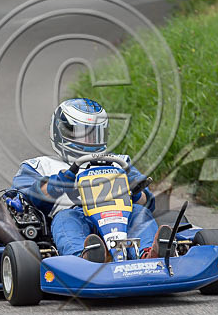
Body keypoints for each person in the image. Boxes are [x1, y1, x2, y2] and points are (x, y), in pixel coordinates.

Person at [10, 98, 171, 262]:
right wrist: (60, 183)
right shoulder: (40, 165)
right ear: (61, 132)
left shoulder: (118, 162)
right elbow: (27, 196)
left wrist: (134, 192)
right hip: (76, 217)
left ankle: (148, 255)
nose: (90, 141)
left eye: (95, 134)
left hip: (120, 217)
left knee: (140, 213)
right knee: (66, 218)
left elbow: (147, 201)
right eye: (83, 134)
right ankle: (84, 258)